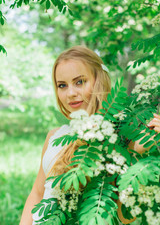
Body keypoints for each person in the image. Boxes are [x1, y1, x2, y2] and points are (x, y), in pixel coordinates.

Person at [19, 45, 160, 225]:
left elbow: (125, 216)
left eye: (80, 82)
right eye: (62, 85)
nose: (70, 93)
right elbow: (37, 194)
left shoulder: (121, 137)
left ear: (98, 80)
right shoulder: (54, 136)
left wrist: (144, 147)